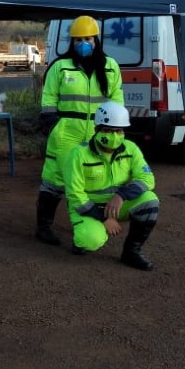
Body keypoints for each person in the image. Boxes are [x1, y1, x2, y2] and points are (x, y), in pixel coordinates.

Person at [36, 15, 123, 246]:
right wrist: (52, 125)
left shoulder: (111, 67)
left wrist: (112, 129)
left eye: (88, 39)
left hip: (98, 133)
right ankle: (43, 226)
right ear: (71, 42)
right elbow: (48, 98)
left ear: (96, 40)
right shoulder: (60, 67)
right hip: (66, 132)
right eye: (78, 39)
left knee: (91, 182)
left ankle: (86, 229)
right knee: (54, 180)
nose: (83, 43)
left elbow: (117, 100)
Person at [63, 101, 159, 271]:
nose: (115, 135)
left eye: (119, 131)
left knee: (150, 202)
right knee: (90, 240)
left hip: (116, 205)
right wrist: (104, 218)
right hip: (88, 208)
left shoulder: (131, 149)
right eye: (108, 130)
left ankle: (131, 252)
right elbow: (75, 196)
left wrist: (121, 195)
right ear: (97, 129)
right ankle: (82, 239)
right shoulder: (78, 155)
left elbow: (147, 178)